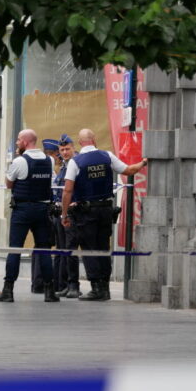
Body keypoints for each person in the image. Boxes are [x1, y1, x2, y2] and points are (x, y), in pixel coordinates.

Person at [61, 128, 148, 301]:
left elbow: (68, 190)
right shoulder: (107, 156)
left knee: (89, 248)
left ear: (79, 143)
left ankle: (96, 288)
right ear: (94, 140)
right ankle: (105, 287)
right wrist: (144, 162)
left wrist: (64, 214)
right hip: (106, 210)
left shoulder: (76, 162)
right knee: (103, 247)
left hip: (86, 213)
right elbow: (129, 170)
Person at [0, 129, 59, 303]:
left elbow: (9, 184)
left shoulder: (19, 161)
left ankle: (8, 291)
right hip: (42, 209)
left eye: (18, 140)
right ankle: (49, 291)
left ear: (25, 142)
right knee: (44, 249)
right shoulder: (49, 160)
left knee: (15, 249)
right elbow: (50, 181)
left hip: (23, 210)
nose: (16, 143)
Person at [30, 138, 59, 294]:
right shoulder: (50, 170)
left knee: (40, 246)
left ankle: (37, 282)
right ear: (53, 155)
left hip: (43, 209)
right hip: (48, 210)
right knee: (44, 245)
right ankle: (40, 282)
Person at [54, 134, 81, 298]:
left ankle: (74, 285)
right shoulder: (64, 167)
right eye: (62, 149)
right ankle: (64, 284)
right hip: (60, 212)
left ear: (73, 148)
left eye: (67, 149)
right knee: (63, 250)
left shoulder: (76, 165)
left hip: (71, 213)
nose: (65, 152)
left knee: (70, 251)